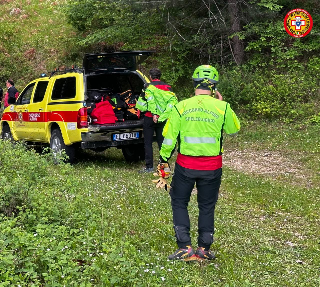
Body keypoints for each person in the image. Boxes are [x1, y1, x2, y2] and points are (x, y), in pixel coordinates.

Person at [159, 65, 240, 261]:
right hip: (212, 167)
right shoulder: (223, 107)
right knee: (206, 206)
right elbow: (233, 129)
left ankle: (184, 247)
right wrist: (222, 105)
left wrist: (163, 159)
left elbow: (169, 138)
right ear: (214, 87)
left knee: (179, 201)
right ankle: (203, 249)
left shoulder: (182, 106)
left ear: (194, 84)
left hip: (185, 166)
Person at [136, 68, 178, 173]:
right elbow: (172, 102)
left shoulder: (148, 87)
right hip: (162, 119)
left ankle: (149, 167)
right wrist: (163, 116)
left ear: (150, 77)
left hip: (150, 117)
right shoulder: (168, 87)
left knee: (148, 143)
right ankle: (164, 165)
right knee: (162, 142)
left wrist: (153, 113)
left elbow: (149, 101)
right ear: (160, 76)